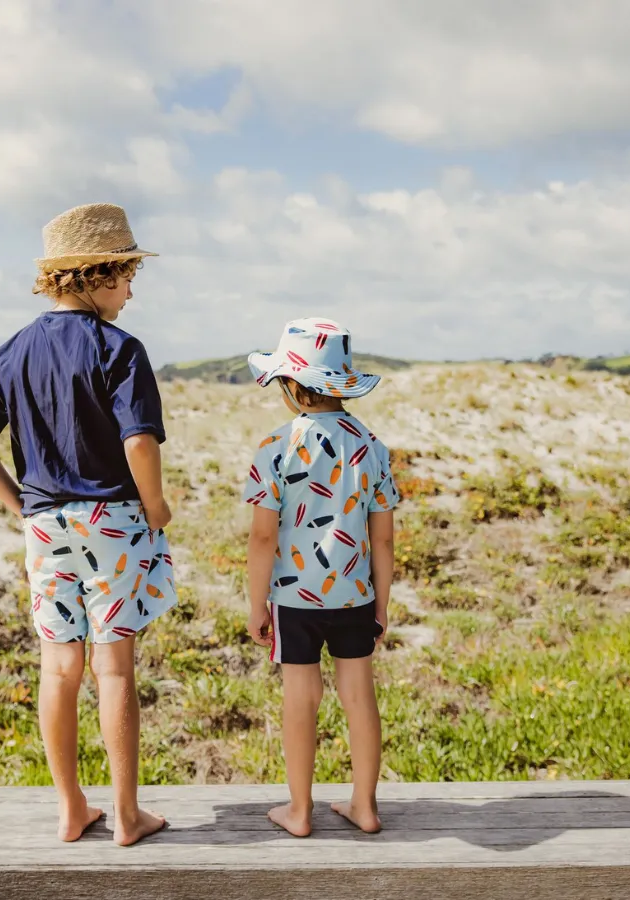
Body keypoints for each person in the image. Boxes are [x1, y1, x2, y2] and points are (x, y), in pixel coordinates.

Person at [0, 203, 176, 846]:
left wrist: (20, 503)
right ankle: (128, 816)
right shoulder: (120, 349)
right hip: (112, 518)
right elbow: (139, 443)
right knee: (114, 671)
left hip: (47, 525)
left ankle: (71, 809)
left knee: (58, 670)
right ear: (94, 274)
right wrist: (156, 506)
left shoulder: (12, 350)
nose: (132, 291)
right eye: (127, 275)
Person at [242, 317, 400, 837]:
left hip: (293, 597)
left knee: (300, 698)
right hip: (355, 592)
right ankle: (365, 806)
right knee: (359, 695)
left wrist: (256, 605)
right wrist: (381, 602)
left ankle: (300, 811)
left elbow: (264, 539)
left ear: (290, 385)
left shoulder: (275, 447)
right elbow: (384, 539)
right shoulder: (372, 447)